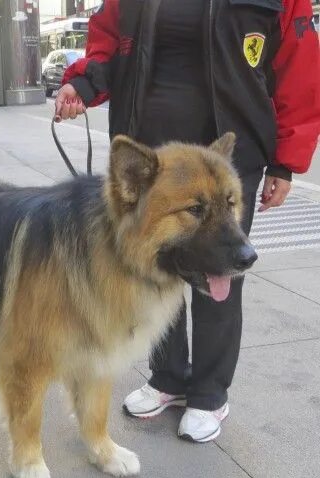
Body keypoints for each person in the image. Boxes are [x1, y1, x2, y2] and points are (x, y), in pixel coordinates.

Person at [55, 0, 320, 442]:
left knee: (222, 268)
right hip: (153, 158)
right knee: (154, 268)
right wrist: (82, 85)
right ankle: (169, 378)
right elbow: (107, 42)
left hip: (229, 155)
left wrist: (285, 162)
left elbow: (300, 69)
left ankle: (211, 392)